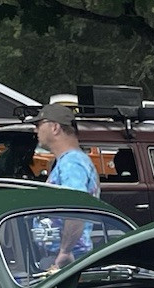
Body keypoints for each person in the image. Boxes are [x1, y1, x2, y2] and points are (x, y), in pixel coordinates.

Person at [36, 103, 100, 269]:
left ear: (55, 127)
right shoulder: (69, 161)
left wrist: (65, 251)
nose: (35, 130)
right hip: (66, 255)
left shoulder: (72, 163)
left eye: (39, 125)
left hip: (68, 259)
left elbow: (76, 209)